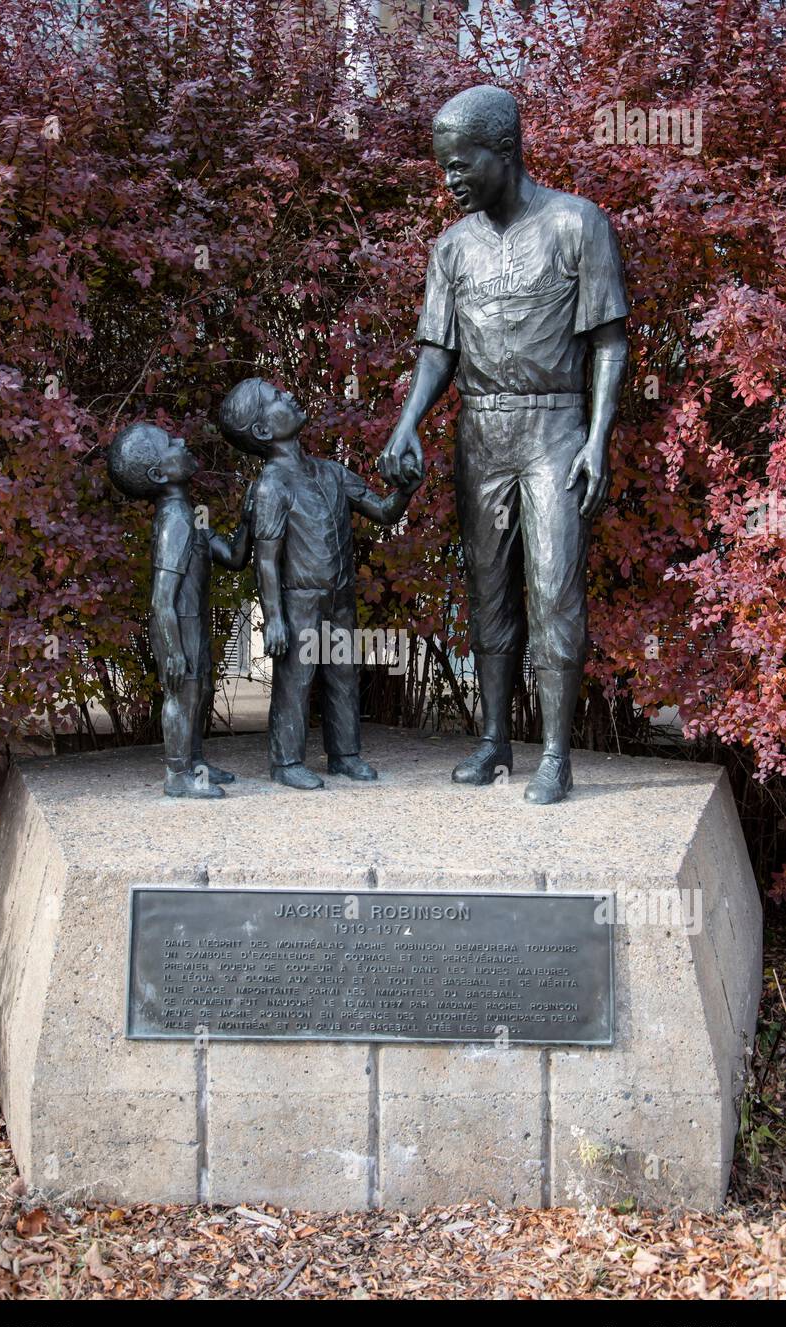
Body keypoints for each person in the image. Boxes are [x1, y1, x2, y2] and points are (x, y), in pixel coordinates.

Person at [379, 85, 629, 804]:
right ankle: (493, 741)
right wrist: (405, 424)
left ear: (504, 150)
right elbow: (437, 353)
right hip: (479, 429)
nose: (449, 180)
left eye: (460, 165)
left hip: (554, 427)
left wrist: (597, 439)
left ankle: (554, 754)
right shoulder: (451, 247)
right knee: (487, 592)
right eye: (442, 168)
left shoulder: (576, 224)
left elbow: (609, 343)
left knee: (554, 590)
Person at [218, 378, 419, 789]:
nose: (288, 393)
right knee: (296, 679)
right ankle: (286, 761)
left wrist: (406, 489)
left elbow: (381, 511)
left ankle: (344, 754)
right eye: (275, 397)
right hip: (299, 600)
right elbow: (267, 559)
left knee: (343, 673)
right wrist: (273, 616)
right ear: (261, 431)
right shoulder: (273, 487)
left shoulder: (330, 472)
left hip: (340, 595)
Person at [107, 422, 252, 799]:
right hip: (176, 624)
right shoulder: (175, 520)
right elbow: (160, 598)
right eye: (171, 444)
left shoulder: (191, 514)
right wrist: (172, 649)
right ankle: (177, 774)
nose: (182, 441)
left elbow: (234, 558)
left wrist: (249, 520)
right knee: (181, 695)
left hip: (193, 621)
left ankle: (196, 763)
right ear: (159, 474)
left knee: (199, 690)